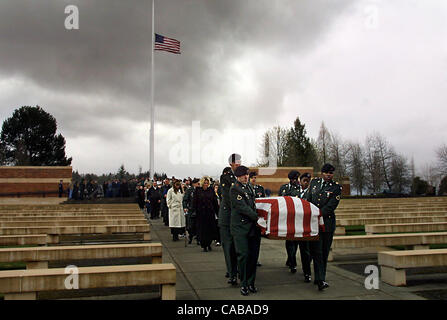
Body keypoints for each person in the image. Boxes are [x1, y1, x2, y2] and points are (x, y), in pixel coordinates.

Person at [305, 163, 342, 291]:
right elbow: (308, 200)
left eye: (331, 173)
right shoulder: (314, 183)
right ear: (322, 173)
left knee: (324, 252)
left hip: (327, 224)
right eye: (326, 173)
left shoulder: (336, 187)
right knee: (316, 251)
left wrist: (318, 214)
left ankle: (321, 278)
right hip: (314, 223)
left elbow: (331, 206)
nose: (328, 175)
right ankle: (319, 278)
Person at [230, 165, 261, 296]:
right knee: (243, 255)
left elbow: (253, 204)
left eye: (247, 175)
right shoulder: (234, 189)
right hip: (240, 227)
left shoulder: (249, 187)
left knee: (253, 256)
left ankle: (251, 282)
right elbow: (242, 207)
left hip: (252, 227)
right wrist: (257, 217)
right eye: (243, 175)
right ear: (238, 176)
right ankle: (243, 283)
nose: (246, 177)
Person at [218, 154, 240, 285]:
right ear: (231, 164)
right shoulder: (225, 177)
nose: (238, 163)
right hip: (227, 217)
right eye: (236, 162)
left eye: (239, 161)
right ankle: (232, 274)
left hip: (238, 217)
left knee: (238, 246)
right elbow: (227, 197)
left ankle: (237, 270)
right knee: (229, 246)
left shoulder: (242, 177)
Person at [278, 170, 301, 273]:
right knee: (289, 240)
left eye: (296, 179)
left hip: (298, 217)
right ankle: (292, 261)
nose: (295, 181)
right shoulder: (284, 188)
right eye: (293, 179)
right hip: (287, 218)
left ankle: (291, 259)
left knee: (294, 241)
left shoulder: (301, 189)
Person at [192, 176, 219, 252]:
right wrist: (194, 210)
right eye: (204, 183)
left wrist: (217, 212)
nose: (206, 184)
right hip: (201, 213)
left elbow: (214, 202)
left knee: (210, 229)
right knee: (202, 230)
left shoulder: (211, 190)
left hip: (210, 212)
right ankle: (204, 245)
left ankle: (209, 243)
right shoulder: (198, 190)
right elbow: (195, 201)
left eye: (207, 183)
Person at [297, 172, 313, 283]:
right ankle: (306, 271)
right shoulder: (295, 193)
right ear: (300, 181)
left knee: (308, 250)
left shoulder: (313, 193)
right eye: (304, 181)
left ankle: (307, 271)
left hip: (309, 225)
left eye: (308, 181)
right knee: (303, 250)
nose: (306, 183)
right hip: (298, 225)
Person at [183, 178, 200, 244]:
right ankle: (190, 236)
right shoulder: (189, 190)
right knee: (190, 226)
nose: (198, 185)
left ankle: (198, 239)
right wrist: (185, 207)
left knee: (198, 225)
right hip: (191, 209)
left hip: (199, 210)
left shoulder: (200, 190)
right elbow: (185, 199)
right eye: (197, 184)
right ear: (194, 184)